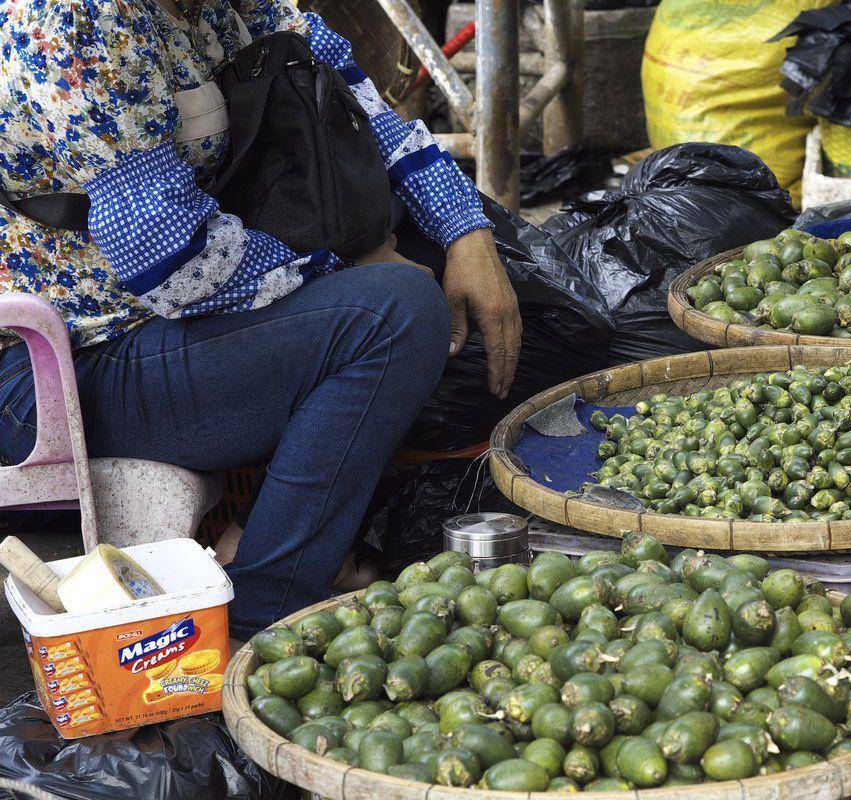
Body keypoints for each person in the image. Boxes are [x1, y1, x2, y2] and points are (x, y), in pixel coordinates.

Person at [0, 0, 521, 640]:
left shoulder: (230, 6)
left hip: (159, 325)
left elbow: (370, 113)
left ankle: (286, 539)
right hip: (59, 369)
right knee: (395, 312)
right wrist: (341, 267)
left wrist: (468, 234)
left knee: (425, 259)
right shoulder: (77, 24)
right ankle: (262, 610)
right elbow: (165, 258)